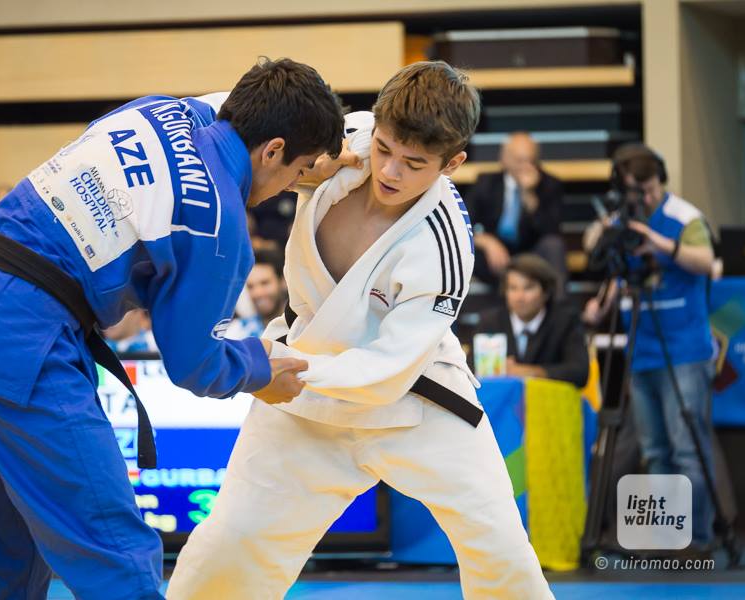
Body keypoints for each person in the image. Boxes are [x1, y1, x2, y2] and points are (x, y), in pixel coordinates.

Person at [168, 61, 554, 600]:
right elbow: (242, 121)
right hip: (302, 385)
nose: (391, 170)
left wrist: (284, 368)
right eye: (387, 148)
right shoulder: (347, 136)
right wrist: (314, 168)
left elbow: (387, 367)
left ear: (453, 163)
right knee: (232, 542)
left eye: (414, 163)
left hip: (415, 399)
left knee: (500, 548)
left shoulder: (445, 245)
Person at [0, 58, 348, 599]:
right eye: (298, 169)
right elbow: (193, 364)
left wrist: (329, 153)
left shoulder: (162, 109)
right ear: (274, 150)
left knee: (0, 559)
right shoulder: (216, 223)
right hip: (26, 341)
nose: (293, 186)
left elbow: (231, 105)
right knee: (116, 555)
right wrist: (261, 368)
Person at [582, 143, 716, 553]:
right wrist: (610, 230)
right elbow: (594, 250)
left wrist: (660, 244)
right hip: (642, 350)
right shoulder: (624, 219)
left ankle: (698, 536)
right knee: (656, 452)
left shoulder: (684, 216)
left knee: (687, 447)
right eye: (637, 190)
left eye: (651, 188)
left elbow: (706, 261)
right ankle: (666, 536)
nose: (646, 197)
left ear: (661, 181)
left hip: (685, 349)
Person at [466, 132, 566, 286]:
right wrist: (487, 241)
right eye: (520, 160)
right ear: (504, 159)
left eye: (531, 160)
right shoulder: (486, 183)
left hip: (532, 252)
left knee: (554, 246)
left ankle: (559, 307)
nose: (526, 166)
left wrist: (530, 196)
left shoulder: (549, 184)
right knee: (469, 251)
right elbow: (463, 223)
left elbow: (551, 231)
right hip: (495, 255)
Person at [477, 254, 589, 387]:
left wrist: (531, 372)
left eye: (528, 288)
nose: (519, 297)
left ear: (546, 292)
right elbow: (470, 369)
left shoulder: (565, 321)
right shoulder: (489, 321)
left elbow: (580, 372)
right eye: (513, 288)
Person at [224, 248, 287, 339]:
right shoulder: (237, 331)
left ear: (283, 281)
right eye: (251, 287)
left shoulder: (303, 326)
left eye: (265, 283)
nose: (258, 293)